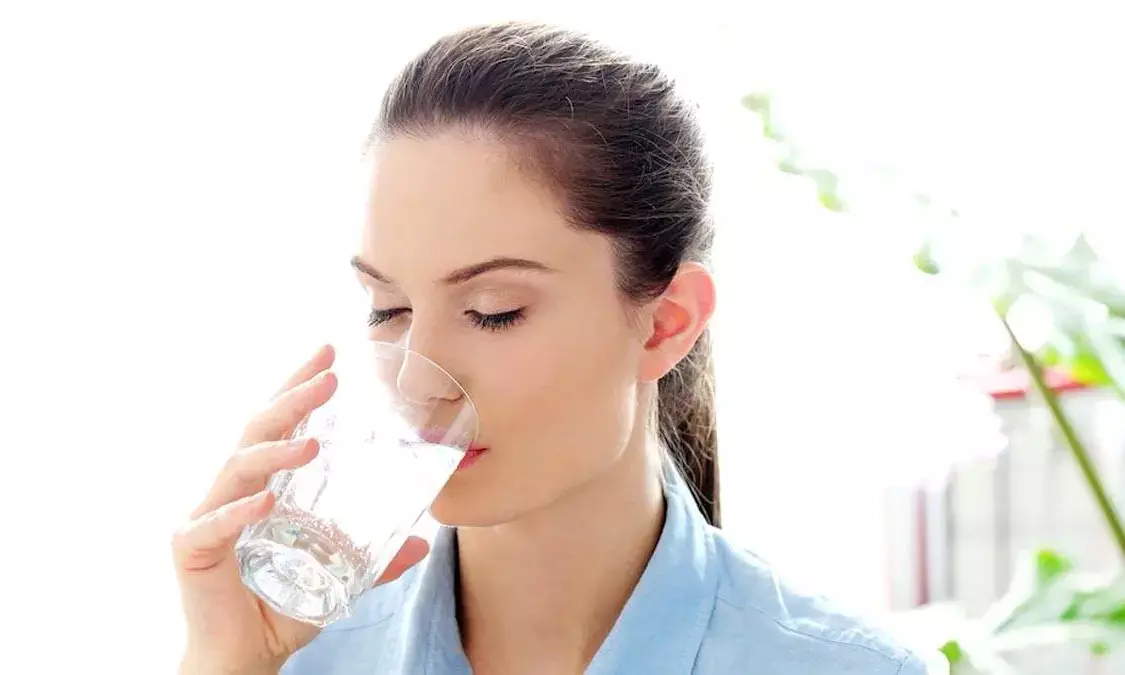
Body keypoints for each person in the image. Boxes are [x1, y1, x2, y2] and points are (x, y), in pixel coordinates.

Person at [173, 21, 935, 675]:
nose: (420, 379)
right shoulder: (305, 656)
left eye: (492, 311)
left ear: (667, 322)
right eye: (389, 308)